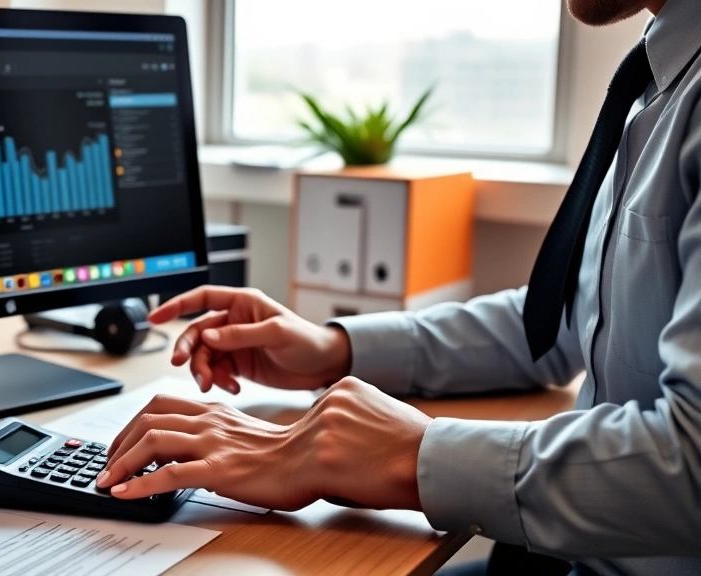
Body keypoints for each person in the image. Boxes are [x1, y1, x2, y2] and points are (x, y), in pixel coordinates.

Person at [94, 0, 701, 574]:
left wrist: (413, 454)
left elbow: (691, 465)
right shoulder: (655, 81)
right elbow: (558, 321)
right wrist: (332, 349)